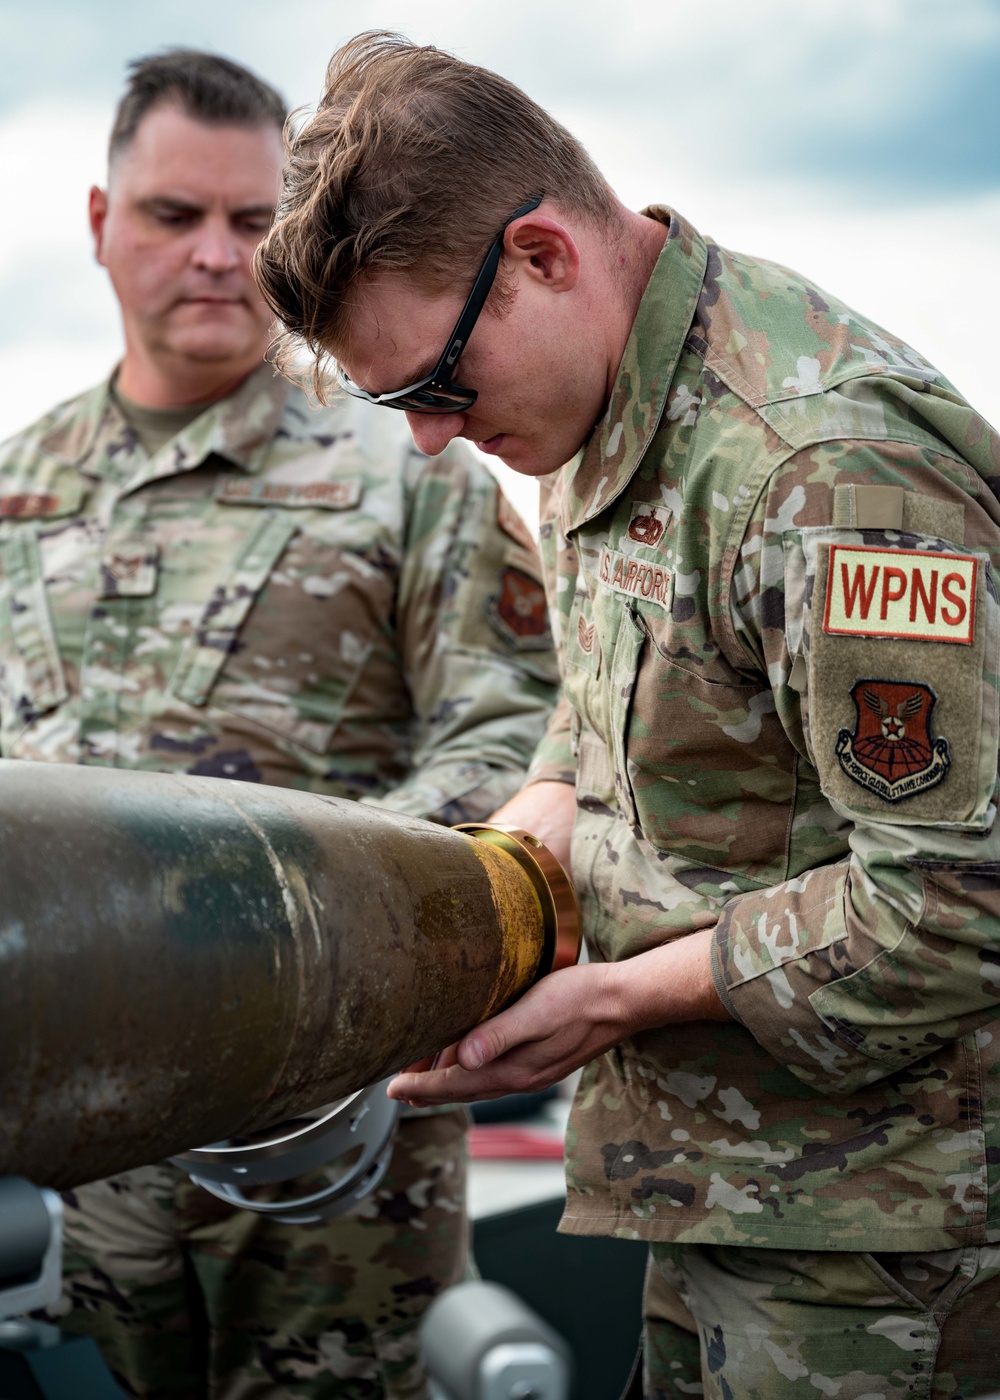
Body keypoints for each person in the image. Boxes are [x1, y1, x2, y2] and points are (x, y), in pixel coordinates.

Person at [253, 31, 1000, 1400]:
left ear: (540, 255)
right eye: (391, 404)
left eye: (435, 387)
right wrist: (523, 861)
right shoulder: (591, 406)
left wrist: (613, 1000)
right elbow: (612, 715)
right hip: (716, 1193)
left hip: (886, 1248)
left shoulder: (827, 473)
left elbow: (960, 897)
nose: (429, 437)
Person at [0, 48, 559, 1400]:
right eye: (171, 215)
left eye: (253, 224)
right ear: (98, 223)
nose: (214, 256)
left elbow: (521, 751)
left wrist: (297, 941)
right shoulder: (20, 490)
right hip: (80, 1167)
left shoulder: (405, 471)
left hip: (332, 1166)